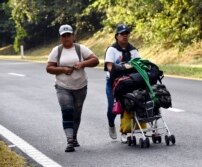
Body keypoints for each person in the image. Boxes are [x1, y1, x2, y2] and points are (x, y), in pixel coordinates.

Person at [46, 24, 99, 152]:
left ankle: (74, 137)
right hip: (63, 86)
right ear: (60, 38)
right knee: (67, 111)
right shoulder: (56, 51)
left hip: (80, 86)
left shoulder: (80, 49)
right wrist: (63, 69)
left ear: (73, 36)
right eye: (63, 36)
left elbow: (95, 60)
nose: (66, 38)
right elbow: (49, 68)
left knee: (76, 113)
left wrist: (82, 63)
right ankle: (69, 140)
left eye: (68, 35)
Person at [104, 24, 140, 143]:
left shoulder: (133, 50)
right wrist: (119, 70)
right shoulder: (112, 49)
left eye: (126, 34)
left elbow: (138, 65)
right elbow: (109, 66)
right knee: (112, 108)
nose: (125, 36)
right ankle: (111, 124)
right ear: (116, 36)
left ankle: (125, 132)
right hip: (113, 83)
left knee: (127, 106)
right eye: (122, 34)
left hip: (128, 82)